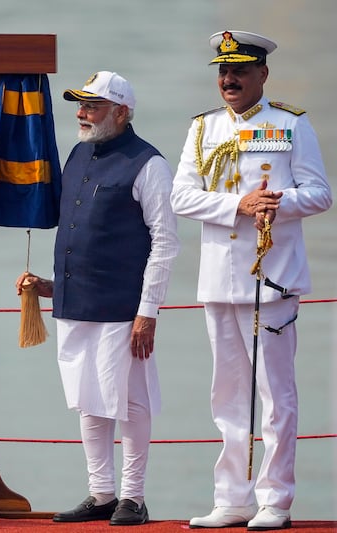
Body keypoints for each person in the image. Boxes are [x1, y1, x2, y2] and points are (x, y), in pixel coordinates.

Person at [171, 31, 332, 530]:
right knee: (227, 394)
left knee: (275, 395)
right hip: (220, 277)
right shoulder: (202, 129)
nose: (229, 79)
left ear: (262, 74)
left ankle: (275, 500)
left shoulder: (289, 124)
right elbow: (181, 197)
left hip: (272, 279)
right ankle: (231, 498)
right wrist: (235, 206)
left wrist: (275, 203)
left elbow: (319, 194)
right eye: (224, 72)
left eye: (240, 71)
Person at [16, 71, 179, 526]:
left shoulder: (149, 164)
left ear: (122, 112)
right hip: (75, 301)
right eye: (80, 105)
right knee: (87, 399)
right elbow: (78, 232)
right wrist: (49, 283)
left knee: (129, 402)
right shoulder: (76, 154)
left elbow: (166, 242)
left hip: (123, 307)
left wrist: (148, 312)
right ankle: (101, 493)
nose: (82, 113)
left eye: (92, 106)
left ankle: (133, 497)